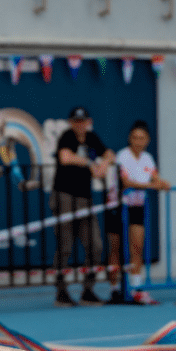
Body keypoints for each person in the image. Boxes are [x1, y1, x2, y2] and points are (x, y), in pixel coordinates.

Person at [52, 106, 114, 307]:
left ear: (88, 121)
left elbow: (110, 154)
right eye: (76, 121)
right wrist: (89, 163)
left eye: (83, 121)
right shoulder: (66, 136)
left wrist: (103, 164)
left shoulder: (92, 137)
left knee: (95, 245)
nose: (80, 125)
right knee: (65, 245)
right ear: (71, 123)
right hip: (65, 196)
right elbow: (65, 157)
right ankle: (61, 290)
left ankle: (88, 289)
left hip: (85, 198)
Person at [107, 120, 170, 305]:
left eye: (142, 138)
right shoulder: (122, 156)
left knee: (136, 247)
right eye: (134, 137)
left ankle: (136, 288)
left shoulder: (148, 159)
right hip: (116, 206)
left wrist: (163, 183)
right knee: (115, 249)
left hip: (136, 207)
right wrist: (151, 185)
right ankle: (114, 290)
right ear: (129, 139)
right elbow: (125, 182)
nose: (138, 141)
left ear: (147, 140)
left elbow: (156, 179)